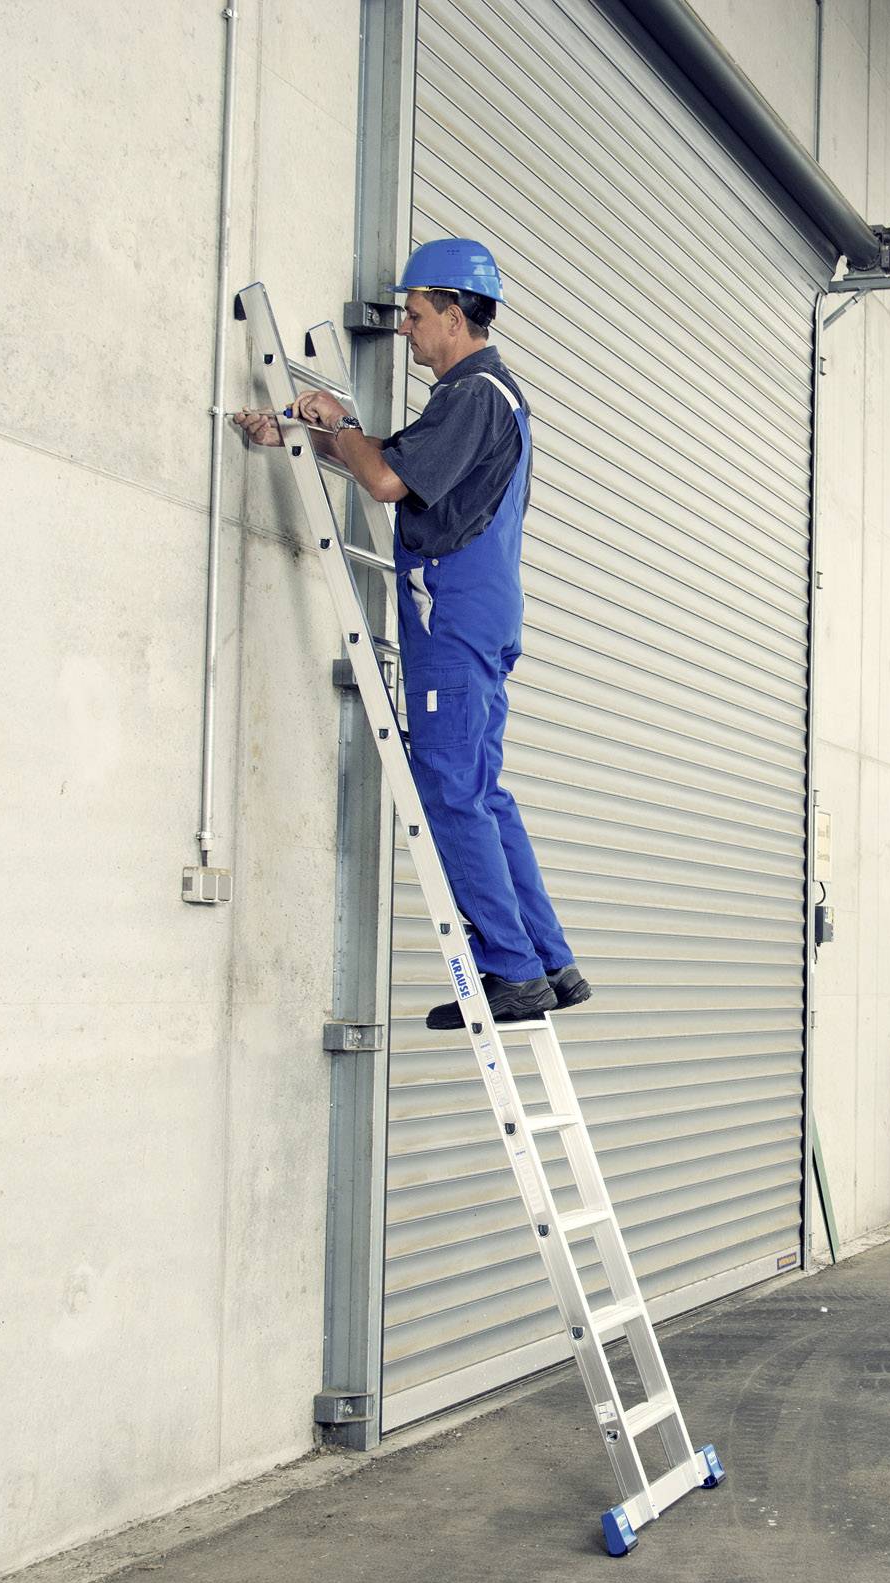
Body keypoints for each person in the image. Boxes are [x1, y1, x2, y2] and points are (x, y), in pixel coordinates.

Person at [233, 238, 585, 1027]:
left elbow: (388, 479)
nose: (407, 332)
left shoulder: (473, 394)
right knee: (484, 793)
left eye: (418, 317)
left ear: (455, 316)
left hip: (452, 618)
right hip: (482, 615)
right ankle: (548, 960)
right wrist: (305, 435)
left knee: (451, 791)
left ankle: (511, 971)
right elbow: (393, 460)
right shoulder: (492, 401)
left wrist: (346, 425)